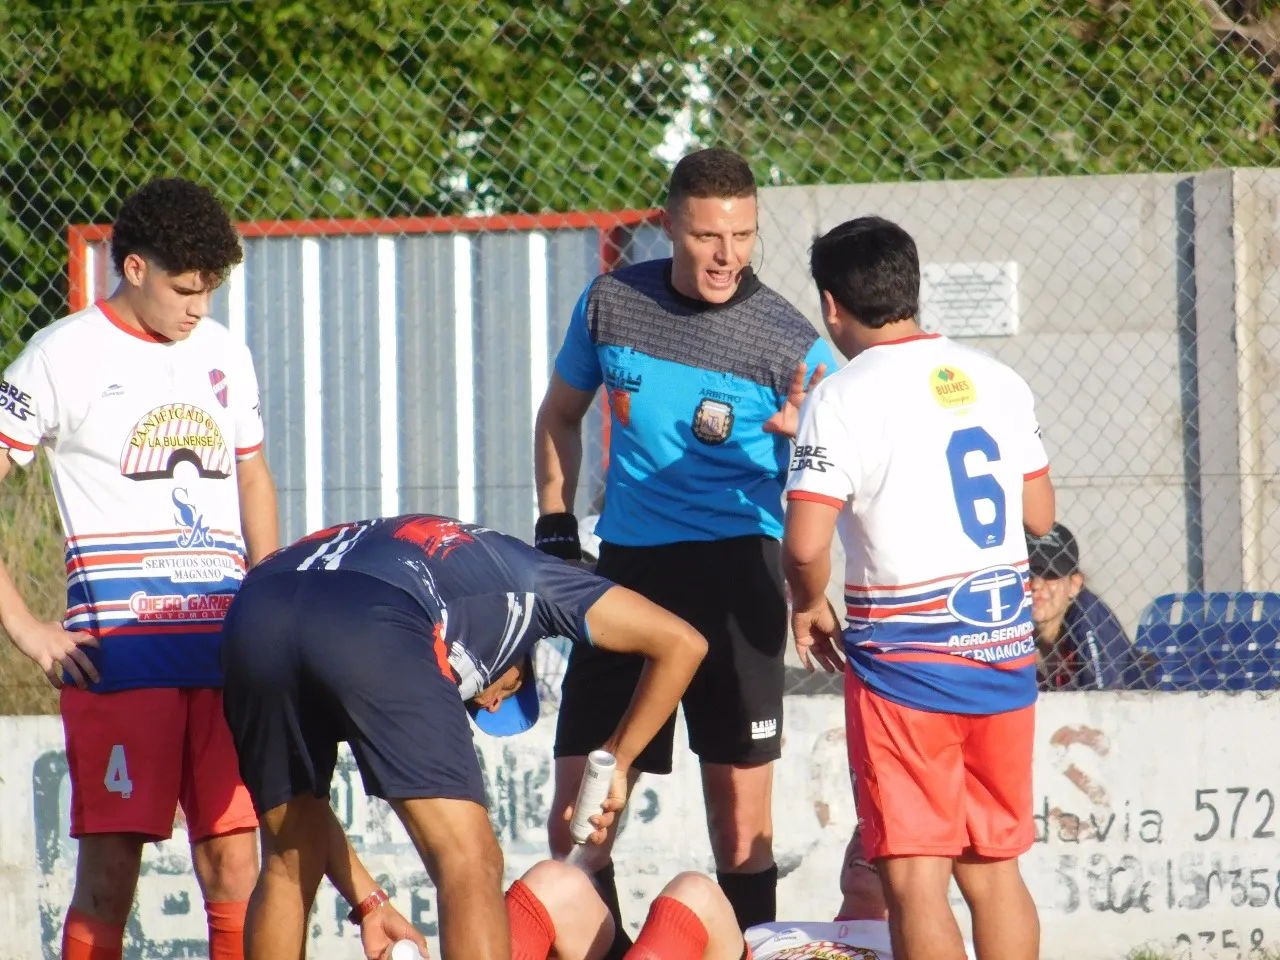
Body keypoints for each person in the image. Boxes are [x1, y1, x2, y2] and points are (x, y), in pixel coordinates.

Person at [533, 145, 835, 943]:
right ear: (669, 226)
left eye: (743, 235)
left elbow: (854, 462)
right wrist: (557, 528)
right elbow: (558, 415)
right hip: (628, 573)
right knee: (579, 819)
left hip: (740, 571)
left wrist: (809, 439)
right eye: (707, 236)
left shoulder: (789, 340)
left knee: (739, 832)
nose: (727, 255)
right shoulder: (611, 303)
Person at [219, 513, 707, 960]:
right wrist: (618, 761)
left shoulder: (455, 574)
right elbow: (682, 643)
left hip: (256, 609)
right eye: (507, 688)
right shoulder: (535, 582)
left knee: (285, 860)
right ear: (519, 654)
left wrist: (370, 901)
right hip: (374, 609)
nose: (490, 703)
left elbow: (306, 822)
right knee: (470, 861)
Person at [0, 177, 278, 960]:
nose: (200, 309)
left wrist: (272, 596)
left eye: (212, 292)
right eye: (186, 289)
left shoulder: (224, 352)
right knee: (111, 870)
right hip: (119, 660)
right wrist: (25, 627)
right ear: (133, 268)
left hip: (227, 656)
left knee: (235, 862)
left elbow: (251, 474)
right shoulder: (60, 355)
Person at [781, 216, 1056, 960]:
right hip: (1001, 653)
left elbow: (806, 544)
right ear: (912, 288)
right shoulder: (999, 379)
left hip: (908, 666)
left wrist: (808, 603)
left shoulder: (839, 398)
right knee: (995, 870)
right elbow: (1040, 514)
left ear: (832, 306)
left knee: (914, 883)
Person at [503, 858, 971, 960]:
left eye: (881, 831)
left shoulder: (942, 946)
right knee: (555, 883)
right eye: (859, 827)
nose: (863, 840)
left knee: (698, 891)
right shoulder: (779, 932)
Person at [1027, 522, 1151, 690]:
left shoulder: (1089, 619)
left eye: (1050, 574)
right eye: (1028, 573)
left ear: (1074, 585)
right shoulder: (1010, 618)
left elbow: (1102, 701)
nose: (1036, 585)